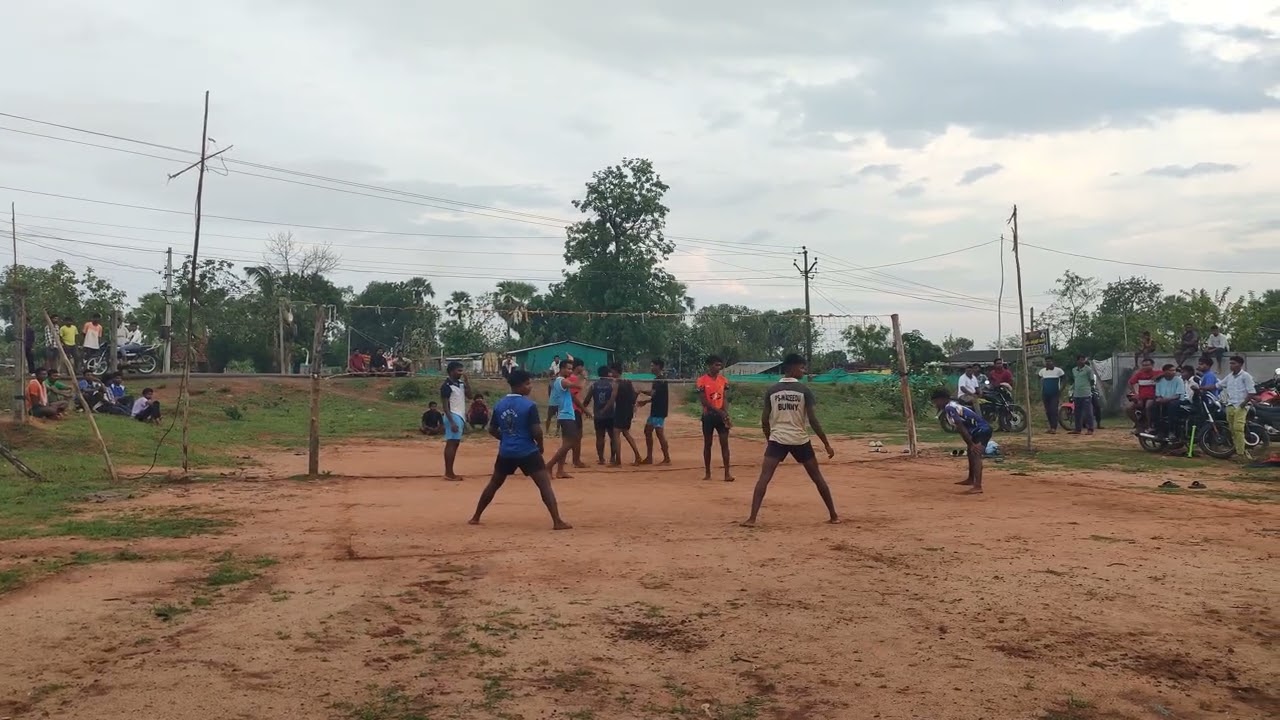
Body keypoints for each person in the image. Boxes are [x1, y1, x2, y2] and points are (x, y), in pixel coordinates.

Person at [741, 354, 839, 526]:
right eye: (802, 367)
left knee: (764, 478)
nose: (804, 371)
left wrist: (769, 439)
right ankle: (834, 515)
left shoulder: (772, 390)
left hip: (777, 439)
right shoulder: (804, 390)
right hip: (800, 439)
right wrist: (826, 444)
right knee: (817, 477)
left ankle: (752, 518)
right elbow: (813, 420)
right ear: (792, 368)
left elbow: (764, 419)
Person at [468, 369, 572, 531]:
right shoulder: (529, 405)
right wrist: (540, 445)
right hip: (527, 450)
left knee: (494, 483)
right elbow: (536, 431)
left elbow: (492, 429)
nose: (530, 386)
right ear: (520, 386)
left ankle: (476, 517)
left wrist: (506, 438)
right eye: (528, 383)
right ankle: (557, 521)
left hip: (506, 452)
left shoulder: (500, 404)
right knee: (544, 485)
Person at [932, 388, 992, 494]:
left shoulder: (950, 408)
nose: (935, 404)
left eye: (936, 401)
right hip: (978, 430)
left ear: (942, 399)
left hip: (981, 430)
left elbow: (960, 426)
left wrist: (971, 444)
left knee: (976, 454)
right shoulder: (951, 406)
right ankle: (971, 479)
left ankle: (978, 486)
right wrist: (970, 444)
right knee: (970, 452)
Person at [697, 355, 733, 482]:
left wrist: (725, 413)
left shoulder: (723, 380)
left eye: (720, 365)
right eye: (716, 365)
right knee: (708, 444)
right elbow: (704, 401)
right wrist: (720, 412)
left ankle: (727, 473)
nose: (719, 367)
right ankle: (707, 472)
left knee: (725, 444)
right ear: (710, 365)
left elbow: (725, 398)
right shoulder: (702, 380)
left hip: (721, 416)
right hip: (708, 416)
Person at [1214, 356, 1256, 461]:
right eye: (1230, 363)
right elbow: (1218, 386)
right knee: (1232, 430)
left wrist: (1243, 404)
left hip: (1241, 406)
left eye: (1233, 363)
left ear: (1240, 364)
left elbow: (1251, 392)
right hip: (1230, 405)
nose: (1231, 365)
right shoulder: (1229, 377)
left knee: (1238, 429)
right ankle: (1240, 451)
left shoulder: (1246, 376)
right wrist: (1201, 388)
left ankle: (1241, 454)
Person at [545, 362, 581, 479]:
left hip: (565, 415)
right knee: (571, 442)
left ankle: (560, 471)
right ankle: (549, 465)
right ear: (562, 369)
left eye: (571, 369)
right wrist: (582, 376)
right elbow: (579, 386)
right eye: (568, 369)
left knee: (566, 443)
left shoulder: (559, 380)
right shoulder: (562, 381)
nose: (570, 371)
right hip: (566, 415)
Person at [440, 361, 470, 481]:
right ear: (452, 371)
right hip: (452, 415)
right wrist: (452, 422)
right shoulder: (446, 386)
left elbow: (470, 396)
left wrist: (467, 382)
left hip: (459, 416)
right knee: (451, 443)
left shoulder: (460, 384)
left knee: (454, 443)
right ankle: (449, 473)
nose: (461, 373)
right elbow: (445, 406)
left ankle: (449, 472)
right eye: (459, 370)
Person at [609, 362, 643, 465]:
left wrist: (605, 409)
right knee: (626, 433)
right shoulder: (628, 382)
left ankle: (618, 461)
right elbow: (633, 398)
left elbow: (612, 398)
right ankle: (637, 456)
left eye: (612, 372)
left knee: (616, 433)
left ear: (615, 371)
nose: (611, 374)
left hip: (620, 411)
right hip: (628, 411)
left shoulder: (617, 383)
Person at [639, 358, 671, 465]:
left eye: (653, 365)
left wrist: (641, 391)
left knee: (659, 433)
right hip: (656, 410)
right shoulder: (658, 379)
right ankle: (649, 457)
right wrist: (646, 401)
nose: (651, 368)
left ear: (658, 366)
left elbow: (653, 394)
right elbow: (656, 396)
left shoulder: (660, 380)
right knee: (648, 431)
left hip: (659, 411)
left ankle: (667, 458)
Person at [1147, 364, 1185, 439]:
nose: (1174, 372)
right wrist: (1160, 399)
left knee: (1172, 406)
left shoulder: (1178, 380)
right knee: (1154, 406)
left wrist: (1166, 400)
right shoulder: (1159, 381)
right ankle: (1157, 429)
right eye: (1171, 370)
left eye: (1174, 370)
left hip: (1175, 400)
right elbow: (1158, 394)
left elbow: (1177, 395)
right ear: (1165, 372)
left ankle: (1171, 430)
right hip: (1163, 400)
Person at [590, 366, 619, 465]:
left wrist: (583, 410)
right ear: (608, 374)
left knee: (600, 437)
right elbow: (614, 399)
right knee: (613, 437)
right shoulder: (612, 385)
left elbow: (587, 399)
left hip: (598, 415)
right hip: (611, 414)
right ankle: (613, 458)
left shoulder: (594, 385)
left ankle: (601, 459)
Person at [1126, 358, 1161, 433]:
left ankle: (1149, 426)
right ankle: (1139, 425)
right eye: (1143, 365)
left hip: (1153, 397)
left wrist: (1159, 377)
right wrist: (1135, 393)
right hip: (1141, 397)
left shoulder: (1157, 373)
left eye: (1147, 365)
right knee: (1129, 408)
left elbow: (1166, 373)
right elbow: (1130, 383)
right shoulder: (1139, 374)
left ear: (1152, 365)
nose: (1145, 367)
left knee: (1148, 406)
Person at [1067, 354, 1096, 435]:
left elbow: (1092, 380)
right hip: (1077, 394)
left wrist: (1089, 388)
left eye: (1083, 359)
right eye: (1080, 359)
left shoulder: (1088, 369)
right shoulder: (1074, 370)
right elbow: (1074, 380)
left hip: (1086, 393)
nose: (1082, 361)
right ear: (1077, 361)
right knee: (1077, 412)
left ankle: (1090, 429)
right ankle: (1078, 429)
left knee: (1088, 412)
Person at [1037, 357, 1066, 433]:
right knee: (1048, 411)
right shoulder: (1042, 371)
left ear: (1053, 362)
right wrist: (1041, 387)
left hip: (1055, 393)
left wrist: (1061, 389)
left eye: (1049, 361)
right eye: (1046, 361)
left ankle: (1054, 427)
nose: (1048, 363)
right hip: (1045, 393)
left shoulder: (1058, 371)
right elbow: (1038, 379)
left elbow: (1064, 380)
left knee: (1053, 410)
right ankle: (1051, 426)